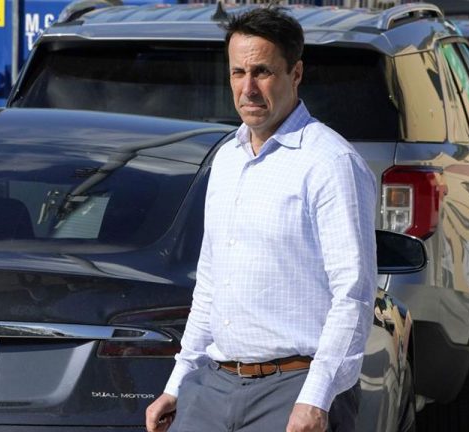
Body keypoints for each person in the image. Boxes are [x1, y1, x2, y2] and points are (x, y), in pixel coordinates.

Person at [145, 7, 377, 432]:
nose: (247, 88)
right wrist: (177, 384)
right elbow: (211, 283)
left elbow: (354, 295)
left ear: (297, 73)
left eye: (262, 72)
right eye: (237, 72)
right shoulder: (227, 158)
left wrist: (316, 398)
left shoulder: (330, 162)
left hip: (295, 391)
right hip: (213, 387)